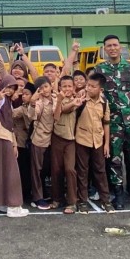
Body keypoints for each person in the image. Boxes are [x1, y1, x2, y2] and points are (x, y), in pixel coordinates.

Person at [94, 35, 130, 211]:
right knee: (115, 159)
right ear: (105, 49)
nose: (112, 48)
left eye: (115, 45)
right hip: (113, 122)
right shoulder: (100, 69)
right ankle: (118, 194)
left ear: (120, 48)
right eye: (109, 46)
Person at [74, 73, 114, 214]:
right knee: (82, 171)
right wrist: (79, 98)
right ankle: (82, 201)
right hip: (82, 139)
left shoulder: (104, 103)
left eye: (93, 86)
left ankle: (105, 200)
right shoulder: (82, 99)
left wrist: (106, 143)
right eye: (88, 85)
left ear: (100, 89)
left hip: (98, 141)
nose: (89, 88)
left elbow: (106, 123)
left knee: (100, 171)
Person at [0, 75, 29, 217]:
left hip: (4, 138)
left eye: (13, 88)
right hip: (2, 137)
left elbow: (10, 125)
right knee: (12, 172)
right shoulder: (0, 99)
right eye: (9, 87)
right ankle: (13, 206)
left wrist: (14, 144)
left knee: (2, 171)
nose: (10, 90)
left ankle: (0, 202)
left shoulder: (8, 102)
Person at [26, 77, 56, 211]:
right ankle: (37, 198)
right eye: (41, 88)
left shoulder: (56, 98)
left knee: (47, 169)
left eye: (46, 87)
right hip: (39, 139)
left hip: (53, 140)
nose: (44, 90)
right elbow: (33, 116)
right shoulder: (38, 102)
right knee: (36, 170)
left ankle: (46, 192)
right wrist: (32, 103)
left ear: (51, 86)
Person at [51, 76, 80, 212]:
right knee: (56, 170)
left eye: (70, 86)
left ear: (73, 87)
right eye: (64, 86)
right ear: (59, 88)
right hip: (57, 137)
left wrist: (74, 102)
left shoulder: (76, 100)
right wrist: (60, 101)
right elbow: (56, 116)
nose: (67, 89)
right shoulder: (55, 99)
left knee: (70, 169)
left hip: (71, 140)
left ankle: (72, 201)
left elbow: (69, 108)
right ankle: (57, 199)